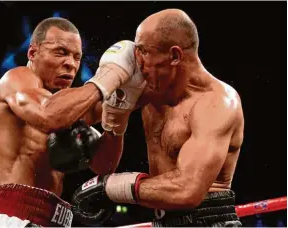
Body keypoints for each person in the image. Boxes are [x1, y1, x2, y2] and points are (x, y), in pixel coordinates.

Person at [72, 9, 244, 227]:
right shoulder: (151, 91)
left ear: (174, 56)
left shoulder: (217, 103)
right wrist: (107, 80)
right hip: (162, 220)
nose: (136, 60)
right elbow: (80, 114)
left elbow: (187, 190)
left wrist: (108, 187)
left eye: (143, 51)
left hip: (208, 220)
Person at [0, 17, 144, 227]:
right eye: (61, 52)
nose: (70, 64)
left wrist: (123, 104)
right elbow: (49, 117)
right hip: (13, 217)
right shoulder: (16, 79)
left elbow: (103, 165)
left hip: (53, 218)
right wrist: (108, 78)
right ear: (32, 53)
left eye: (76, 57)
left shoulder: (69, 104)